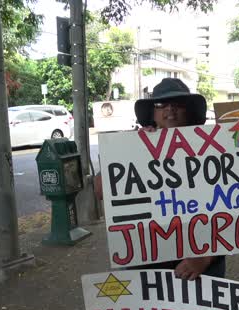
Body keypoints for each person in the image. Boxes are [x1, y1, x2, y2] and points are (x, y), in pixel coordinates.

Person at [95, 78, 225, 280]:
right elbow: (100, 191)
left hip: (202, 266)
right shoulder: (133, 144)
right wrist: (133, 150)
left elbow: (236, 207)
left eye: (178, 103)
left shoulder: (215, 148)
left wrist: (205, 256)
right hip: (146, 264)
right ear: (152, 113)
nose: (170, 109)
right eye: (160, 104)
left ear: (189, 110)